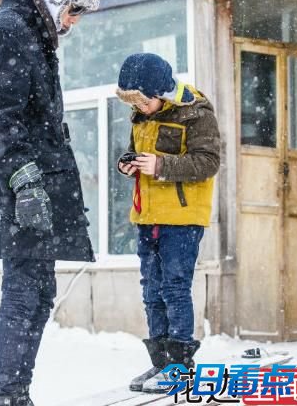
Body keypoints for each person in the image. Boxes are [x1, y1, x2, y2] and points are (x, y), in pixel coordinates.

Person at [0, 0, 103, 406]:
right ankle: (7, 394)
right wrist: (26, 179)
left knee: (37, 292)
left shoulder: (31, 34)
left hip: (33, 182)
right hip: (20, 186)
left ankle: (15, 392)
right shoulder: (10, 33)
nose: (74, 22)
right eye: (73, 10)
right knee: (24, 291)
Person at [116, 53, 220, 393]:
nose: (140, 108)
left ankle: (180, 365)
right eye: (134, 102)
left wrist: (161, 166)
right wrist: (130, 163)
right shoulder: (141, 117)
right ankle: (160, 362)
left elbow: (207, 162)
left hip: (182, 217)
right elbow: (140, 153)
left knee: (174, 287)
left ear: (162, 92)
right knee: (151, 289)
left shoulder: (197, 112)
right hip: (147, 214)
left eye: (144, 101)